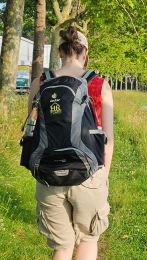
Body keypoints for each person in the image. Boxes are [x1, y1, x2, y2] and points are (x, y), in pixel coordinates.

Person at [27, 26, 114, 260]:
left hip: (48, 174)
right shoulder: (99, 84)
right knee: (87, 240)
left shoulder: (40, 82)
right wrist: (103, 176)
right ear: (84, 52)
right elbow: (108, 138)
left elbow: (31, 129)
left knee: (62, 247)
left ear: (59, 51)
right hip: (89, 174)